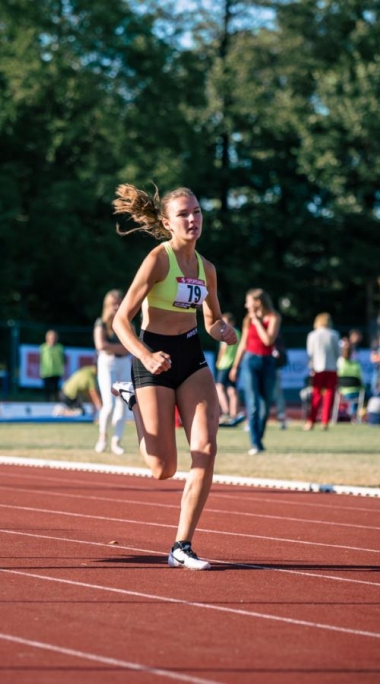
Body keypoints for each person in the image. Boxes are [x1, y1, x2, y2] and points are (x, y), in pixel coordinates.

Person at [110, 183, 236, 571]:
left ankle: (182, 545)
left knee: (207, 449)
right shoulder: (157, 260)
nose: (193, 219)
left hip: (191, 357)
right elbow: (119, 320)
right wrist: (146, 357)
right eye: (183, 214)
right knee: (162, 468)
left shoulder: (207, 269)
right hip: (153, 358)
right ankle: (133, 397)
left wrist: (224, 331)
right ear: (167, 222)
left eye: (196, 211)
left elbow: (212, 321)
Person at [229, 289, 281, 454]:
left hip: (267, 362)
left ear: (258, 302)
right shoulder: (247, 320)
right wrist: (235, 366)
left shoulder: (274, 317)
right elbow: (243, 343)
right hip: (250, 361)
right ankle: (255, 443)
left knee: (265, 405)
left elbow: (268, 340)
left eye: (248, 301)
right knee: (252, 404)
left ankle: (259, 437)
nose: (246, 305)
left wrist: (258, 322)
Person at [94, 289, 133, 455]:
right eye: (113, 303)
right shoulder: (101, 323)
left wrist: (120, 348)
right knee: (108, 404)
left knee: (124, 403)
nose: (116, 306)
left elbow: (131, 345)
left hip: (124, 363)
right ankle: (102, 437)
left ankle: (117, 440)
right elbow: (101, 345)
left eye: (119, 303)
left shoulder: (127, 323)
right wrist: (121, 348)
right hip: (107, 363)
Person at [305, 313, 341, 430]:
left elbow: (310, 353)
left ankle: (311, 421)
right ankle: (325, 421)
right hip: (331, 368)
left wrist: (311, 366)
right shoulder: (334, 335)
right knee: (329, 395)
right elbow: (338, 353)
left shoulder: (312, 335)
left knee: (316, 395)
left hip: (317, 368)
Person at [213, 312, 241, 425]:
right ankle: (234, 414)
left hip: (225, 364)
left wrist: (218, 360)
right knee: (231, 390)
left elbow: (223, 348)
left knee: (219, 387)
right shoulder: (239, 332)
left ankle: (226, 412)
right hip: (234, 364)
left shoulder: (226, 332)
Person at [39, 330, 66, 402]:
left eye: (54, 338)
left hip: (56, 372)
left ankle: (56, 403)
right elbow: (40, 359)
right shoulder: (43, 347)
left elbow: (63, 359)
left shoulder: (60, 347)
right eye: (51, 338)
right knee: (46, 390)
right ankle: (46, 403)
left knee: (55, 390)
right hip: (46, 372)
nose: (52, 339)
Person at [337, 338, 364, 411]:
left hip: (342, 390)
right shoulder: (356, 365)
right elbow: (361, 379)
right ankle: (353, 414)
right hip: (354, 391)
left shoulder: (339, 363)